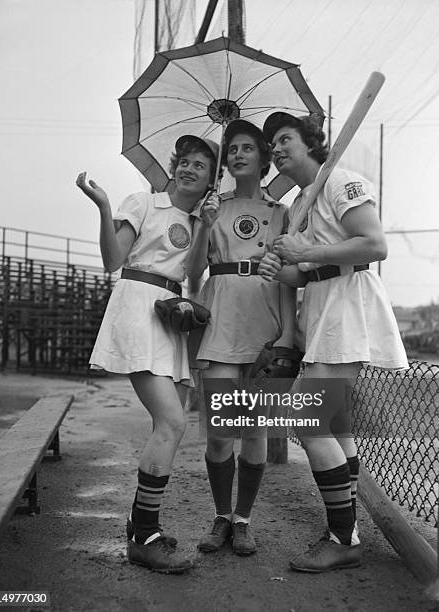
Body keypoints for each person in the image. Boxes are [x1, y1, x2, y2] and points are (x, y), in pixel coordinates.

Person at [258, 112, 408, 572]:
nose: (277, 149)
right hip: (322, 307)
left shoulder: (341, 181)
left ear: (310, 143)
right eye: (273, 145)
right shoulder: (301, 201)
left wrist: (308, 253)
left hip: (349, 305)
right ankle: (346, 530)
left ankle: (344, 539)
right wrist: (280, 269)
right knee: (338, 427)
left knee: (307, 421)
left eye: (285, 139)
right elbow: (303, 272)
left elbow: (375, 245)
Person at [76, 134, 219, 574]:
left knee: (170, 423)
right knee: (173, 423)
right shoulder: (142, 202)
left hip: (171, 317)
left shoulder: (199, 221)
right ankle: (143, 536)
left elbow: (194, 276)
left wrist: (208, 226)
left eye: (201, 165)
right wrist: (103, 207)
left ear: (211, 181)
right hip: (138, 308)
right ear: (174, 165)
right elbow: (112, 259)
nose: (189, 169)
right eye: (186, 161)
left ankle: (142, 525)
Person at [186, 119, 297, 556]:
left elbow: (288, 278)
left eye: (247, 147)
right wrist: (204, 224)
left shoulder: (283, 212)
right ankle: (220, 517)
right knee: (219, 432)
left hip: (263, 325)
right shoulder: (212, 207)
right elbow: (193, 273)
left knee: (253, 431)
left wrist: (287, 333)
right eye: (231, 148)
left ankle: (244, 520)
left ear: (264, 157)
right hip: (219, 322)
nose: (237, 154)